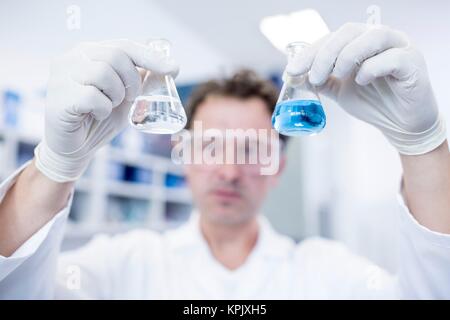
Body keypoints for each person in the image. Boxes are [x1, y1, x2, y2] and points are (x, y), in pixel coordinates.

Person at [0, 23, 449, 299]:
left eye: (252, 150)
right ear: (184, 156)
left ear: (278, 168)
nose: (231, 171)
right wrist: (55, 164)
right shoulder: (124, 263)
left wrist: (423, 144)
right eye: (211, 146)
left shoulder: (329, 271)